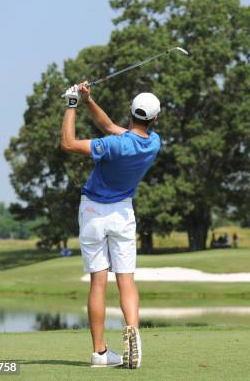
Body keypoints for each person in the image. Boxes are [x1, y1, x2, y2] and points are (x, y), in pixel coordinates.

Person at [61, 82, 161, 369]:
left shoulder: (113, 145)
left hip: (92, 211)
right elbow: (108, 126)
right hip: (122, 214)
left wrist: (71, 105)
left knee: (98, 281)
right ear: (154, 119)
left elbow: (68, 143)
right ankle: (132, 330)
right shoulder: (153, 143)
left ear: (130, 112)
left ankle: (99, 353)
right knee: (126, 279)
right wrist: (88, 100)